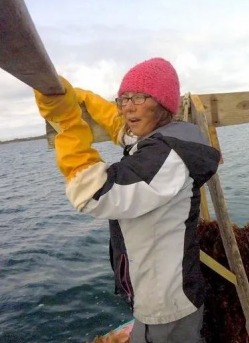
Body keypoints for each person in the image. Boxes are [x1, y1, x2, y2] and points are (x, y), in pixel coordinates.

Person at [34, 57, 221, 342]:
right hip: (162, 294)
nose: (127, 107)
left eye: (139, 97)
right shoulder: (167, 136)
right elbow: (122, 129)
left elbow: (93, 193)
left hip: (166, 304)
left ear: (163, 104)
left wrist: (69, 123)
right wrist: (84, 99)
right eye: (123, 98)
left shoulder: (166, 156)